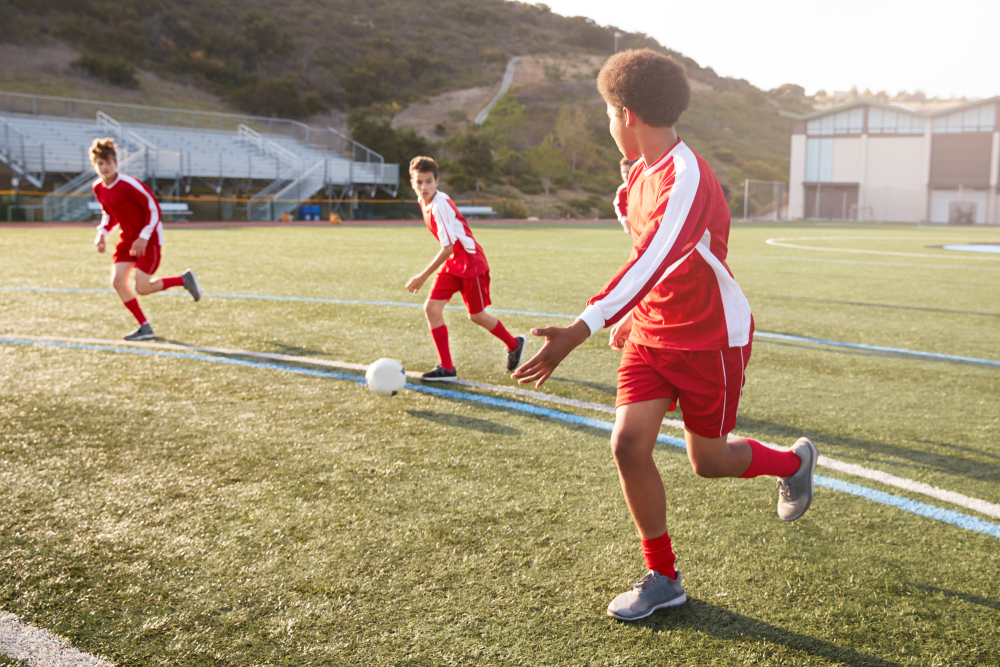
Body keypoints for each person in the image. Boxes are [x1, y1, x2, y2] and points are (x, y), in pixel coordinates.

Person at [511, 50, 817, 621]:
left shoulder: (687, 177)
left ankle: (792, 464)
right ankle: (663, 577)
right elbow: (649, 256)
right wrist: (631, 316)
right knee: (628, 446)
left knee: (709, 461)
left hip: (709, 340)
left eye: (607, 112)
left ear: (625, 114)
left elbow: (653, 256)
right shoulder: (637, 177)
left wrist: (580, 328)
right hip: (651, 335)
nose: (607, 123)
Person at [405, 156, 525, 380]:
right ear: (412, 183)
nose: (424, 187)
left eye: (429, 181)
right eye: (419, 182)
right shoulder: (423, 200)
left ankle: (514, 344)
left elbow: (448, 248)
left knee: (476, 316)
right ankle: (447, 368)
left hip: (471, 264)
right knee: (431, 308)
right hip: (453, 264)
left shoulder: (439, 205)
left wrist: (422, 276)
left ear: (437, 181)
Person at [90, 138, 201, 341]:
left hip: (149, 239)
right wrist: (102, 234)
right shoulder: (98, 188)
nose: (105, 167)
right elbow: (109, 214)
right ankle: (144, 326)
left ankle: (184, 280)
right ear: (94, 165)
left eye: (108, 162)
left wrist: (143, 237)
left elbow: (154, 209)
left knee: (142, 288)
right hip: (127, 240)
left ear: (116, 163)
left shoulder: (129, 184)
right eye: (100, 163)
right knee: (117, 281)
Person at [613, 157, 637, 233]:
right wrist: (625, 224)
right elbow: (619, 207)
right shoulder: (622, 190)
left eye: (628, 172)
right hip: (636, 228)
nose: (625, 175)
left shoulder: (645, 185)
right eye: (623, 172)